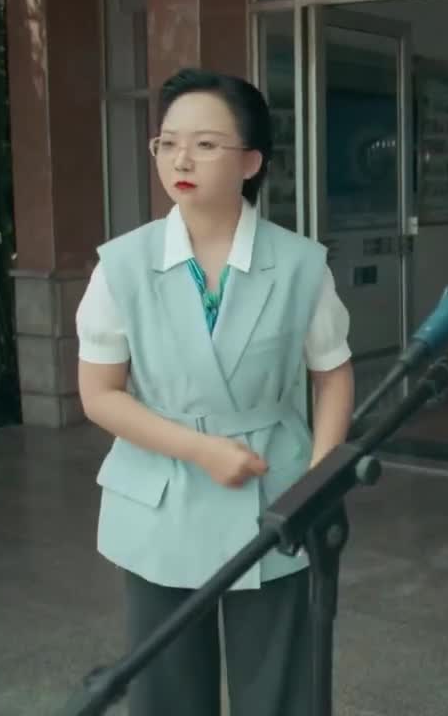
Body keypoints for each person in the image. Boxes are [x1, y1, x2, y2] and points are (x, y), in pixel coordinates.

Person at [75, 67, 354, 716]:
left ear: (251, 162)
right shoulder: (122, 265)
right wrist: (201, 450)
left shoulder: (300, 264)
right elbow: (100, 393)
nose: (181, 159)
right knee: (167, 692)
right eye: (168, 143)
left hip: (274, 492)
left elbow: (333, 372)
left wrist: (318, 481)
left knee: (279, 688)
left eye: (205, 144)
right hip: (160, 494)